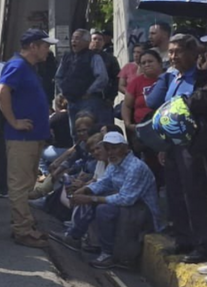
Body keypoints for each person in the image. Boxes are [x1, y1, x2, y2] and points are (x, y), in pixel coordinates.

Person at [50, 132, 160, 270]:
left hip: (142, 210)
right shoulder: (114, 163)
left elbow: (126, 199)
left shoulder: (136, 167)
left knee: (103, 208)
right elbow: (103, 183)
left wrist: (91, 197)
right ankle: (74, 236)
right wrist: (85, 191)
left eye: (115, 148)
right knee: (91, 198)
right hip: (129, 206)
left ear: (125, 148)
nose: (111, 152)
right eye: (108, 148)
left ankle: (108, 254)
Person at [146, 34, 207, 263]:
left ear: (193, 53)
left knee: (195, 193)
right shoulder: (173, 77)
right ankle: (184, 240)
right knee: (175, 192)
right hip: (172, 145)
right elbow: (158, 104)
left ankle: (202, 244)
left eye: (178, 52)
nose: (173, 57)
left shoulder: (201, 76)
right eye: (170, 52)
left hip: (194, 144)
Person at [0, 29, 58, 248]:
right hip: (21, 138)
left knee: (26, 183)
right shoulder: (17, 65)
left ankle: (23, 225)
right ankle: (22, 231)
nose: (47, 50)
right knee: (20, 185)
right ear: (33, 46)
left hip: (32, 137)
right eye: (45, 46)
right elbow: (1, 92)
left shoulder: (28, 67)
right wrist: (14, 121)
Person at [121, 50, 164, 187]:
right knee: (150, 164)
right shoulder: (136, 82)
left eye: (150, 61)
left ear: (160, 63)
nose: (146, 65)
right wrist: (128, 123)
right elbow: (127, 105)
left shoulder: (167, 78)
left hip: (164, 128)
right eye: (143, 63)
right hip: (143, 129)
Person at [55, 29, 109, 137]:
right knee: (75, 132)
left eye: (77, 38)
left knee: (89, 130)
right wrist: (63, 91)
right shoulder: (67, 56)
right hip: (71, 101)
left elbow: (102, 77)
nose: (74, 41)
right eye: (73, 38)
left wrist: (89, 91)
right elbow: (58, 76)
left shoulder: (93, 57)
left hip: (88, 100)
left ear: (87, 41)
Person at [90, 32, 120, 123]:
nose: (97, 42)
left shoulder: (110, 59)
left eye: (100, 40)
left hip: (104, 99)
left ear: (103, 43)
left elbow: (117, 79)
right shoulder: (83, 57)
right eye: (94, 39)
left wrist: (111, 97)